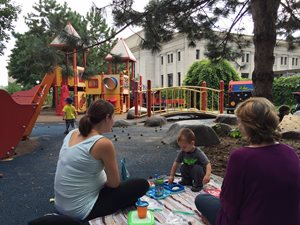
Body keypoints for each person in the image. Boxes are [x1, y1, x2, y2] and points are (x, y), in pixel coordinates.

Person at [195, 97, 300, 225]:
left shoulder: (241, 157)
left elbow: (229, 204)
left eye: (240, 122)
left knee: (202, 199)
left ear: (248, 125)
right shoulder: (290, 152)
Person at [54, 99, 149, 221]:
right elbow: (114, 184)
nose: (113, 122)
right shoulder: (102, 143)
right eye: (113, 118)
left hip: (61, 205)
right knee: (141, 185)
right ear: (107, 117)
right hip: (80, 210)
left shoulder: (72, 133)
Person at [168, 128, 212, 192]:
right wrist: (171, 175)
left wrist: (207, 175)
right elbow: (176, 163)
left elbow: (208, 164)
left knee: (196, 168)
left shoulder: (198, 153)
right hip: (190, 170)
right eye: (180, 147)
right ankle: (187, 181)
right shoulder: (182, 152)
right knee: (183, 167)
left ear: (192, 143)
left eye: (184, 147)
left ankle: (198, 184)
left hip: (199, 173)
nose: (182, 149)